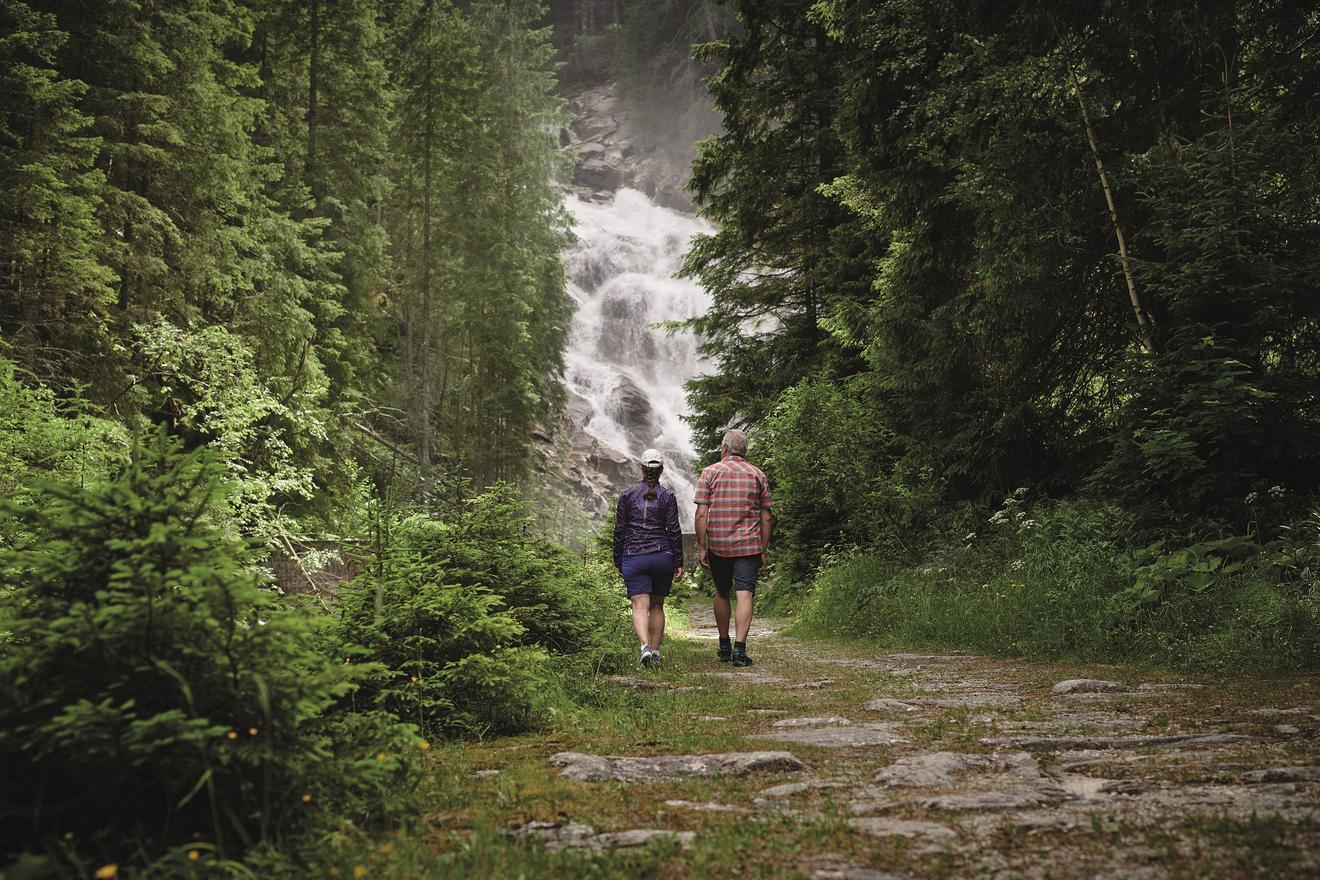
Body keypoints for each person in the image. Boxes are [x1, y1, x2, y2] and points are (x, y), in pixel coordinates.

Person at [694, 428, 772, 667]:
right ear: (744, 451)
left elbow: (701, 513)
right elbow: (766, 516)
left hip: (719, 545)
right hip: (749, 545)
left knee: (721, 591)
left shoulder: (709, 472)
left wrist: (701, 546)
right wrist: (763, 549)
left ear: (725, 449)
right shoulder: (757, 474)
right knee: (744, 593)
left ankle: (724, 645)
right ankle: (740, 649)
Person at [613, 448, 684, 668]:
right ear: (661, 470)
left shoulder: (626, 495)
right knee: (657, 606)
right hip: (662, 556)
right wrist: (678, 561)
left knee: (639, 606)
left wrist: (617, 559)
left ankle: (644, 646)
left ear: (642, 469)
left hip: (634, 556)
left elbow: (620, 530)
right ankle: (655, 651)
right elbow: (674, 530)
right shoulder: (668, 496)